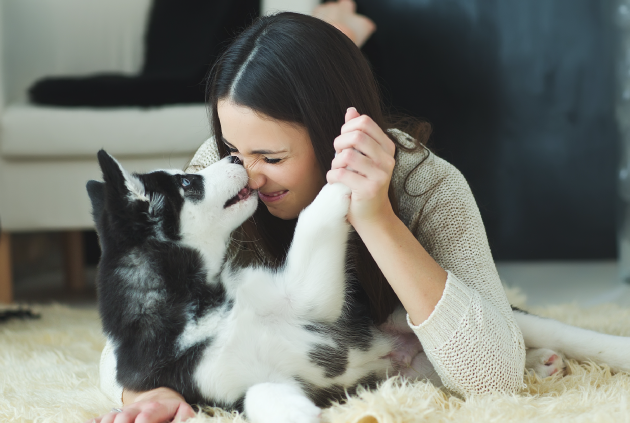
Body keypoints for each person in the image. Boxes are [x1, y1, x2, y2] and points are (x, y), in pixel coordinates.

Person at [90, 5, 526, 423]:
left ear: (332, 133)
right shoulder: (220, 175)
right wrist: (148, 392)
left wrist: (376, 218)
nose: (248, 176)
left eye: (273, 158)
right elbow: (134, 332)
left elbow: (495, 377)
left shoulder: (427, 184)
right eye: (234, 149)